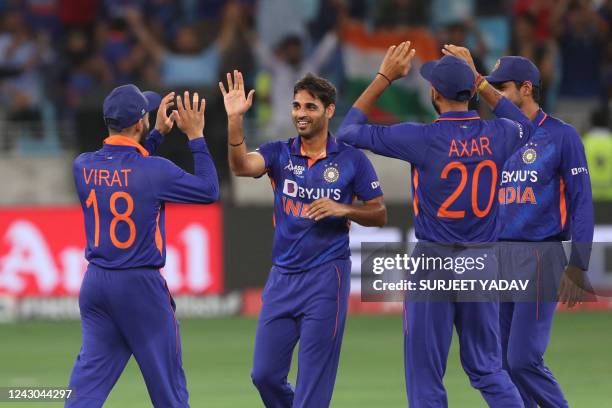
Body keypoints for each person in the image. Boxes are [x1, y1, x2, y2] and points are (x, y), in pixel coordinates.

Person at [336, 42, 535, 407]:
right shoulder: (500, 133)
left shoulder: (422, 138)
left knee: (426, 375)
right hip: (481, 261)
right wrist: (481, 81)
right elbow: (529, 125)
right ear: (471, 91)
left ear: (434, 93)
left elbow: (348, 133)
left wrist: (384, 77)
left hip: (434, 261)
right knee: (488, 369)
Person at [219, 70, 386, 407]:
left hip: (327, 276)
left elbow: (379, 214)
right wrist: (235, 121)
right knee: (264, 375)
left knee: (313, 382)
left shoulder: (352, 160)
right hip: (282, 277)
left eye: (309, 107)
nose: (300, 113)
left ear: (328, 110)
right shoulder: (279, 153)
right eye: (296, 106)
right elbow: (240, 166)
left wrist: (344, 209)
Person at [444, 49, 594, 408]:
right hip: (496, 256)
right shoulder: (496, 136)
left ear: (526, 89)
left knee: (523, 359)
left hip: (540, 255)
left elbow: (582, 202)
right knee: (500, 365)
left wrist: (578, 264)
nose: (494, 94)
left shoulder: (562, 136)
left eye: (502, 87)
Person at [66, 84, 219, 407]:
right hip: (139, 287)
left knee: (86, 388)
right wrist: (195, 136)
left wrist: (155, 137)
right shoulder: (155, 170)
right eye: (146, 115)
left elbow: (124, 168)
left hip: (96, 284)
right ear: (139, 123)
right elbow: (208, 190)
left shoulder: (83, 166)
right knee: (168, 389)